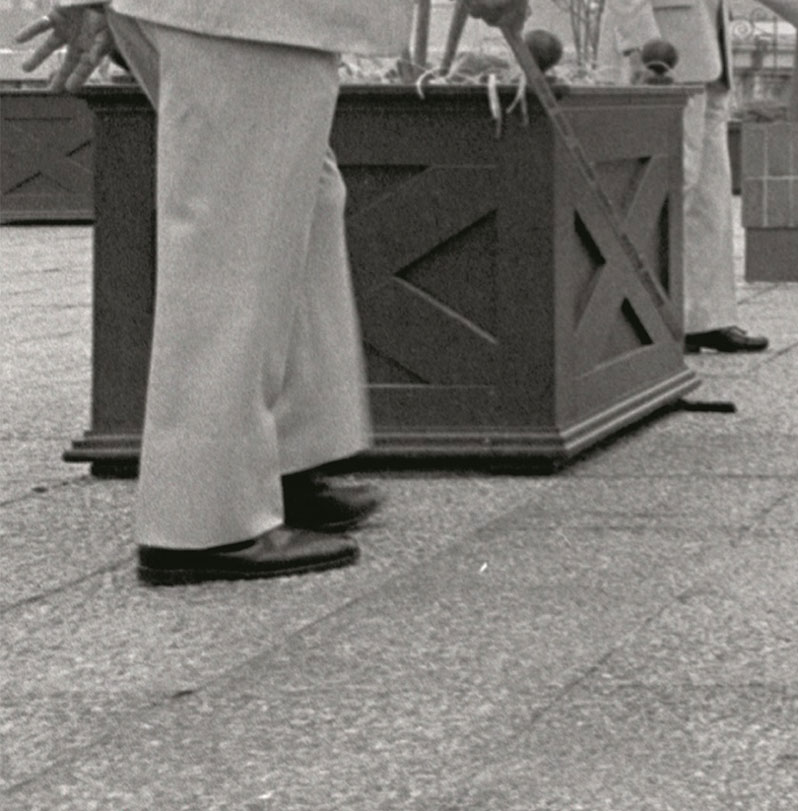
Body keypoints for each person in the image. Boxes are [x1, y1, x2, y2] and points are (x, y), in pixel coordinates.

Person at [14, 0, 530, 586]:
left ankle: (285, 458)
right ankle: (203, 523)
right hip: (255, 15)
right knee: (237, 230)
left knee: (295, 199)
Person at [601, 0, 798, 354]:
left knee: (709, 196)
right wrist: (643, 49)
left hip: (707, 57)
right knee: (665, 189)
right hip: (661, 59)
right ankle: (643, 321)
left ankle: (702, 319)